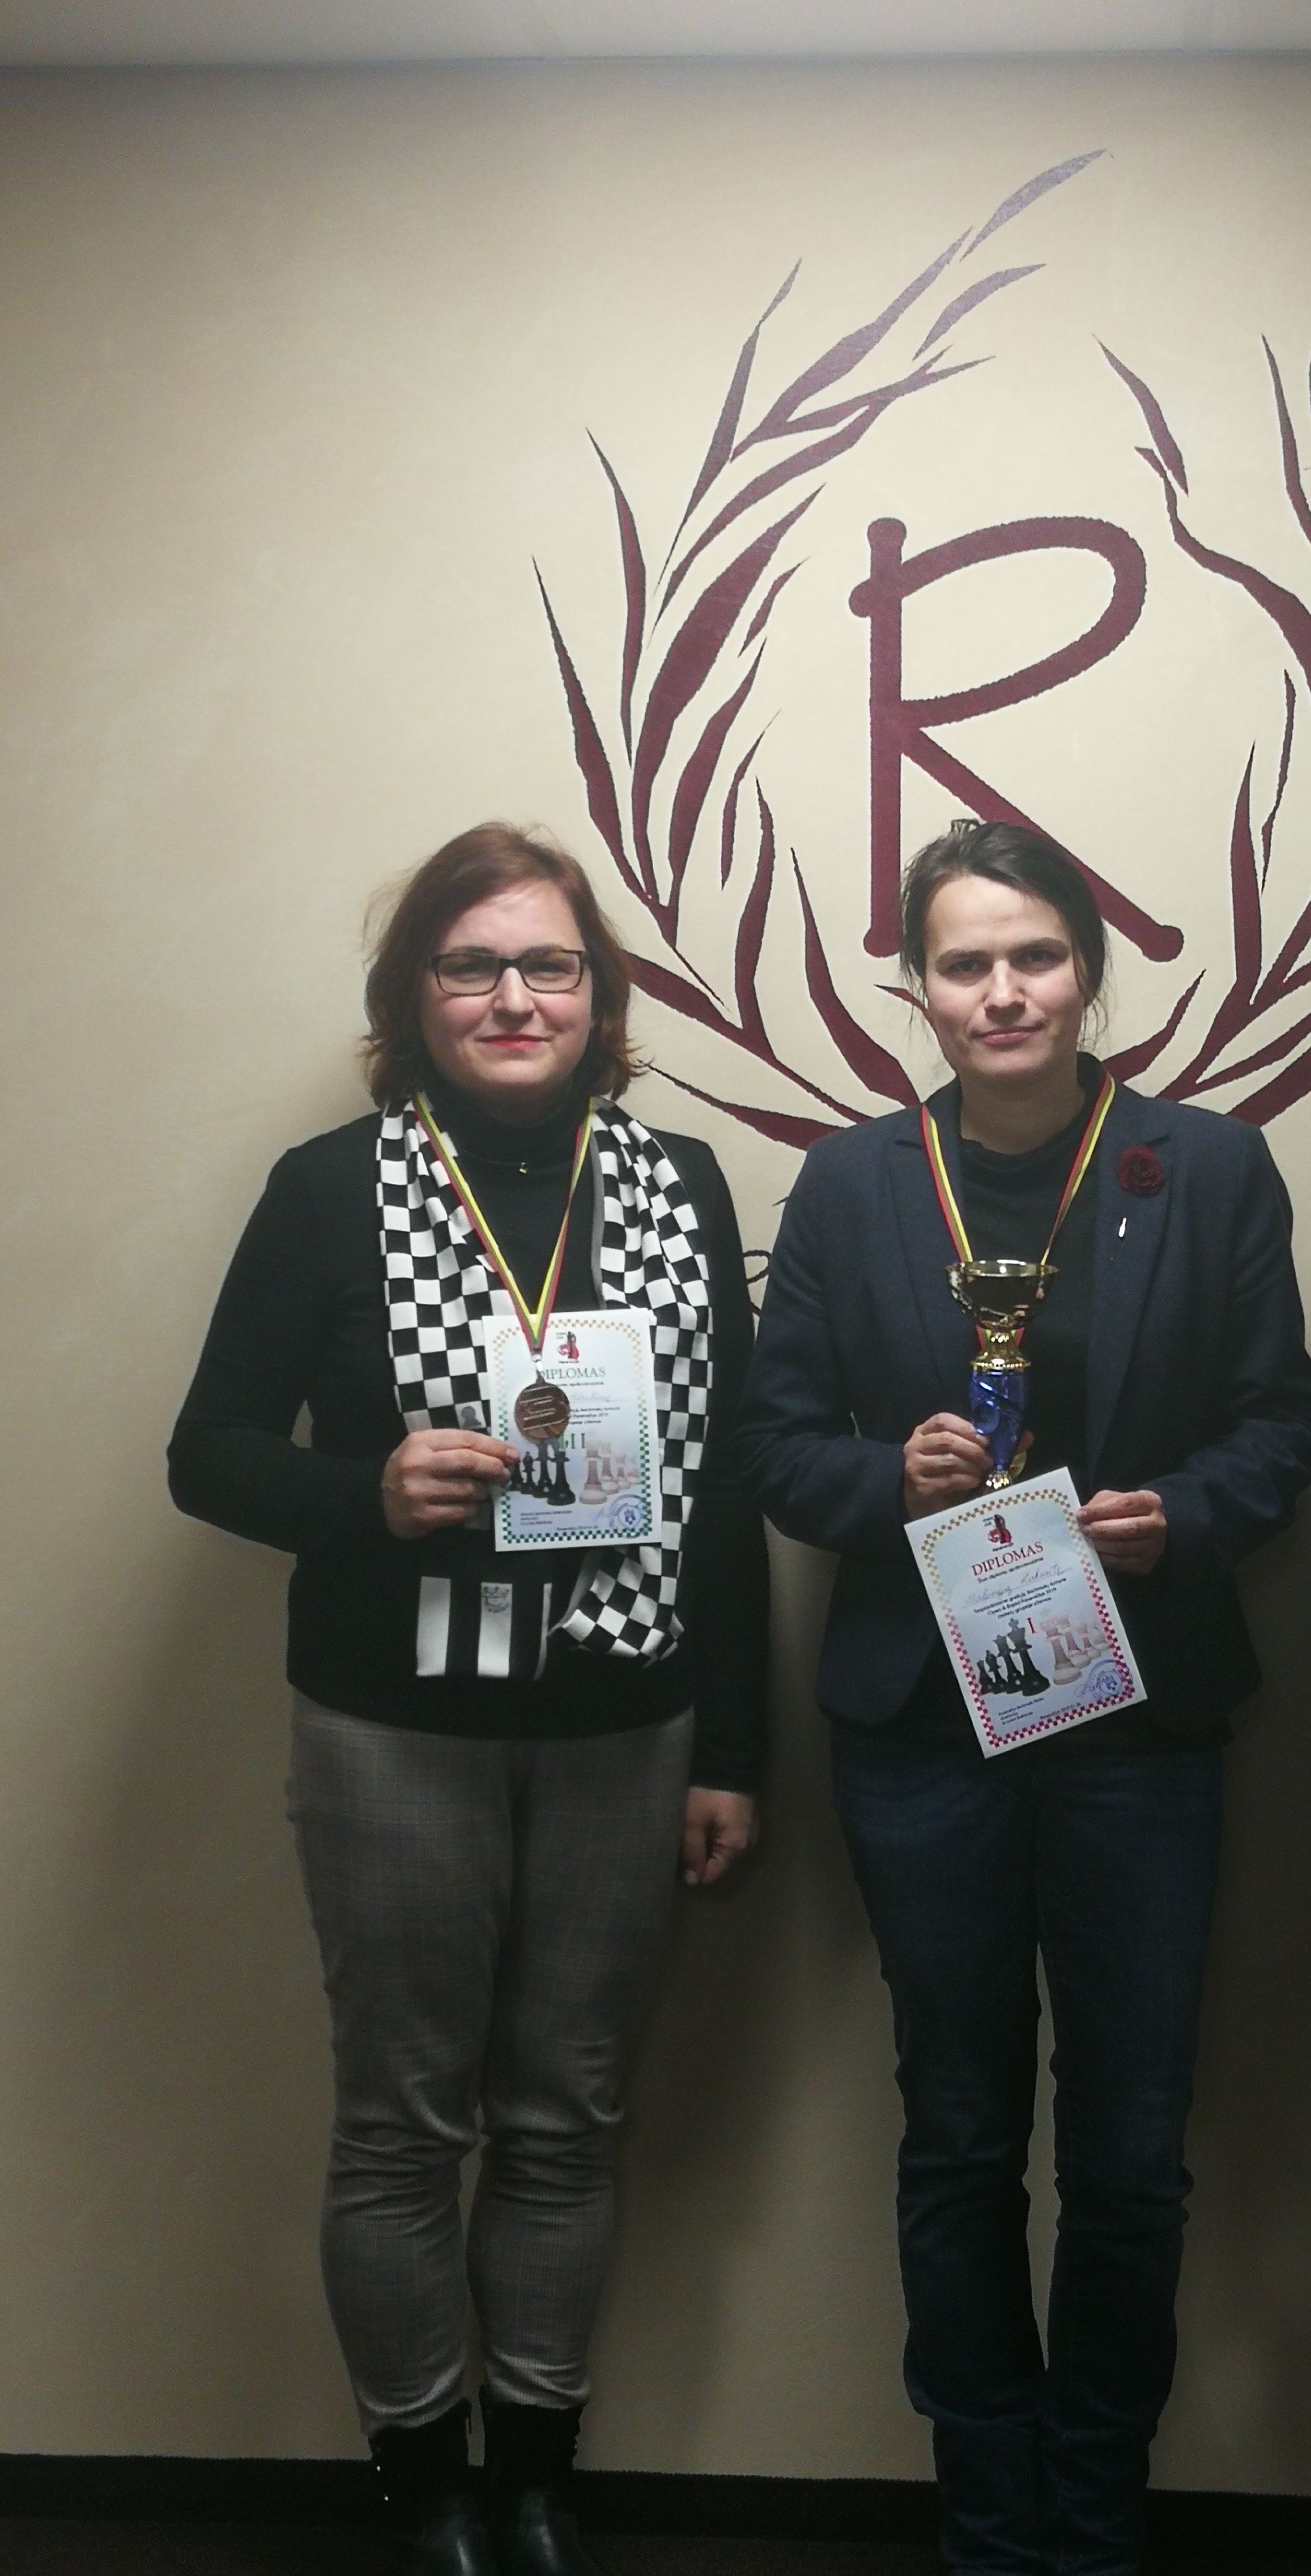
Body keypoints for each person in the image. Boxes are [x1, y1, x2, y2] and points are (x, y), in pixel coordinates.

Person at [169, 824, 768, 2576]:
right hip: (395, 1725)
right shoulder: (326, 1189)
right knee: (402, 2123)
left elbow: (727, 1494)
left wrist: (732, 1749)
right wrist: (363, 1490)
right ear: (414, 998)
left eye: (549, 965)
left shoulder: (681, 1186)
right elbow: (207, 1452)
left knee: (568, 2118)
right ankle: (425, 2483)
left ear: (598, 996)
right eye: (472, 965)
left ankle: (538, 2479)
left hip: (624, 1722)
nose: (515, 997)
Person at [738, 819, 1311, 2576]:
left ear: (1088, 970)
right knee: (958, 2134)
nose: (1004, 992)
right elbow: (773, 1444)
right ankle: (990, 2521)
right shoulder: (851, 1184)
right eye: (966, 962)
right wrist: (889, 1479)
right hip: (925, 1737)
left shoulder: (1205, 1167)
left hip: (1137, 1727)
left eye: (1037, 956)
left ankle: (1098, 2507)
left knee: (1133, 2150)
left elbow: (1277, 1426)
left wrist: (1184, 1518)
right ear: (917, 990)